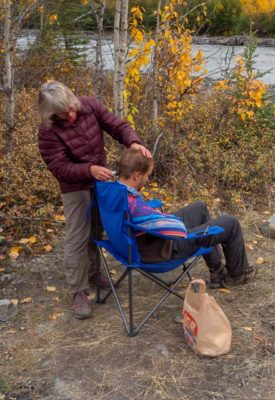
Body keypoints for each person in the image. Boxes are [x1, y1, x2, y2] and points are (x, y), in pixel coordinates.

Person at [37, 81, 152, 320]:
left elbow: (116, 125)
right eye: (62, 113)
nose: (70, 115)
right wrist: (89, 170)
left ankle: (93, 273)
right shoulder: (48, 131)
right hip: (75, 185)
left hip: (101, 180)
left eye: (70, 108)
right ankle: (78, 291)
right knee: (77, 236)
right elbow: (59, 168)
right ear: (50, 113)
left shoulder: (89, 105)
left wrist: (133, 140)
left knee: (98, 230)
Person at [118, 147, 256, 288]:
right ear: (136, 175)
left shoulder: (114, 193)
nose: (147, 179)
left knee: (200, 208)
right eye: (147, 175)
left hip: (144, 243)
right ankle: (238, 275)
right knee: (231, 223)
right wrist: (170, 220)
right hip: (165, 248)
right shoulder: (136, 207)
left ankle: (217, 270)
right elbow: (175, 229)